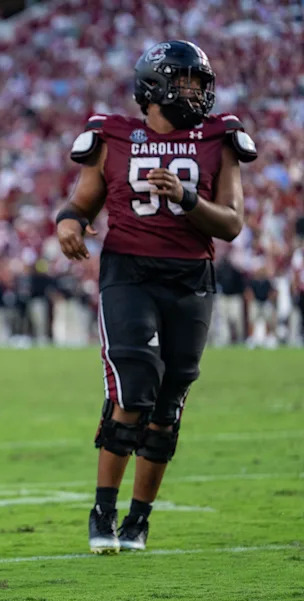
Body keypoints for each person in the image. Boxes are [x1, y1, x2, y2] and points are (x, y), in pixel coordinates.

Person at [56, 41, 256, 554]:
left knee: (168, 405)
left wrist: (189, 200)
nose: (197, 92)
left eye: (198, 81)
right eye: (186, 80)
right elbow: (80, 203)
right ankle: (103, 510)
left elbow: (232, 224)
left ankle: (138, 520)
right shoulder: (112, 135)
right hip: (130, 271)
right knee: (134, 384)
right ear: (154, 87)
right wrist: (68, 225)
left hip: (191, 276)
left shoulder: (220, 136)